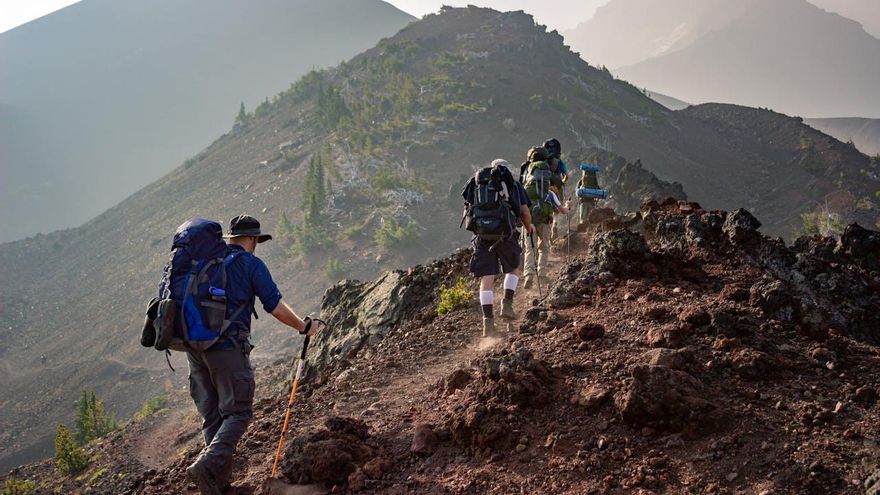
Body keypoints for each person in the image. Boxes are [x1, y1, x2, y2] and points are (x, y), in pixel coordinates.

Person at [186, 214, 318, 495]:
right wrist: (303, 326)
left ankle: (217, 486)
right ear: (253, 239)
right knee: (238, 413)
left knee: (213, 416)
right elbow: (275, 306)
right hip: (227, 348)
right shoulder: (250, 264)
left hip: (194, 349)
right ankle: (207, 465)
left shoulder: (206, 262)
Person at [462, 159, 534, 336]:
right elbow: (524, 212)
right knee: (513, 270)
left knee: (486, 278)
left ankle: (488, 323)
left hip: (482, 236)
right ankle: (507, 304)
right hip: (505, 234)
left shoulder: (476, 184)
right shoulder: (512, 184)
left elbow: (467, 211)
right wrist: (529, 228)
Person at [522, 146, 568, 288]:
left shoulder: (525, 188)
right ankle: (541, 273)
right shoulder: (550, 193)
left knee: (530, 249)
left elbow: (521, 206)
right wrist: (568, 205)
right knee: (544, 247)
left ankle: (528, 275)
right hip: (545, 221)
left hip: (529, 221)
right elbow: (562, 210)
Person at [543, 138, 569, 242]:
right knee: (557, 209)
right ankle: (555, 224)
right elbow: (567, 175)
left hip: (545, 188)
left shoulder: (542, 162)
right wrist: (562, 182)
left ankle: (547, 228)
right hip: (557, 188)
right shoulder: (559, 162)